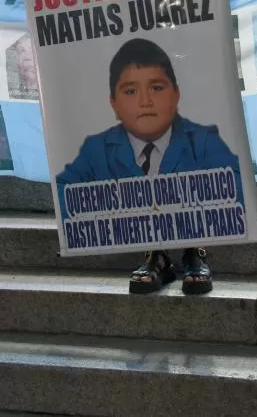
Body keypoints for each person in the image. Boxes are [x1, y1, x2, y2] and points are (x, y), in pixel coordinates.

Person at [94, 0, 232, 292]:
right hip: (143, 53)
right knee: (146, 149)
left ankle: (195, 251)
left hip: (193, 46)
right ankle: (154, 252)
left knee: (189, 149)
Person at [57, 38, 243, 296]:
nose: (145, 101)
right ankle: (156, 256)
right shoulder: (96, 148)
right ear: (113, 102)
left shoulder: (203, 139)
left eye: (156, 88)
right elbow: (66, 189)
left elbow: (234, 186)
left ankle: (194, 252)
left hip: (193, 222)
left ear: (176, 94)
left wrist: (180, 197)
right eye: (130, 91)